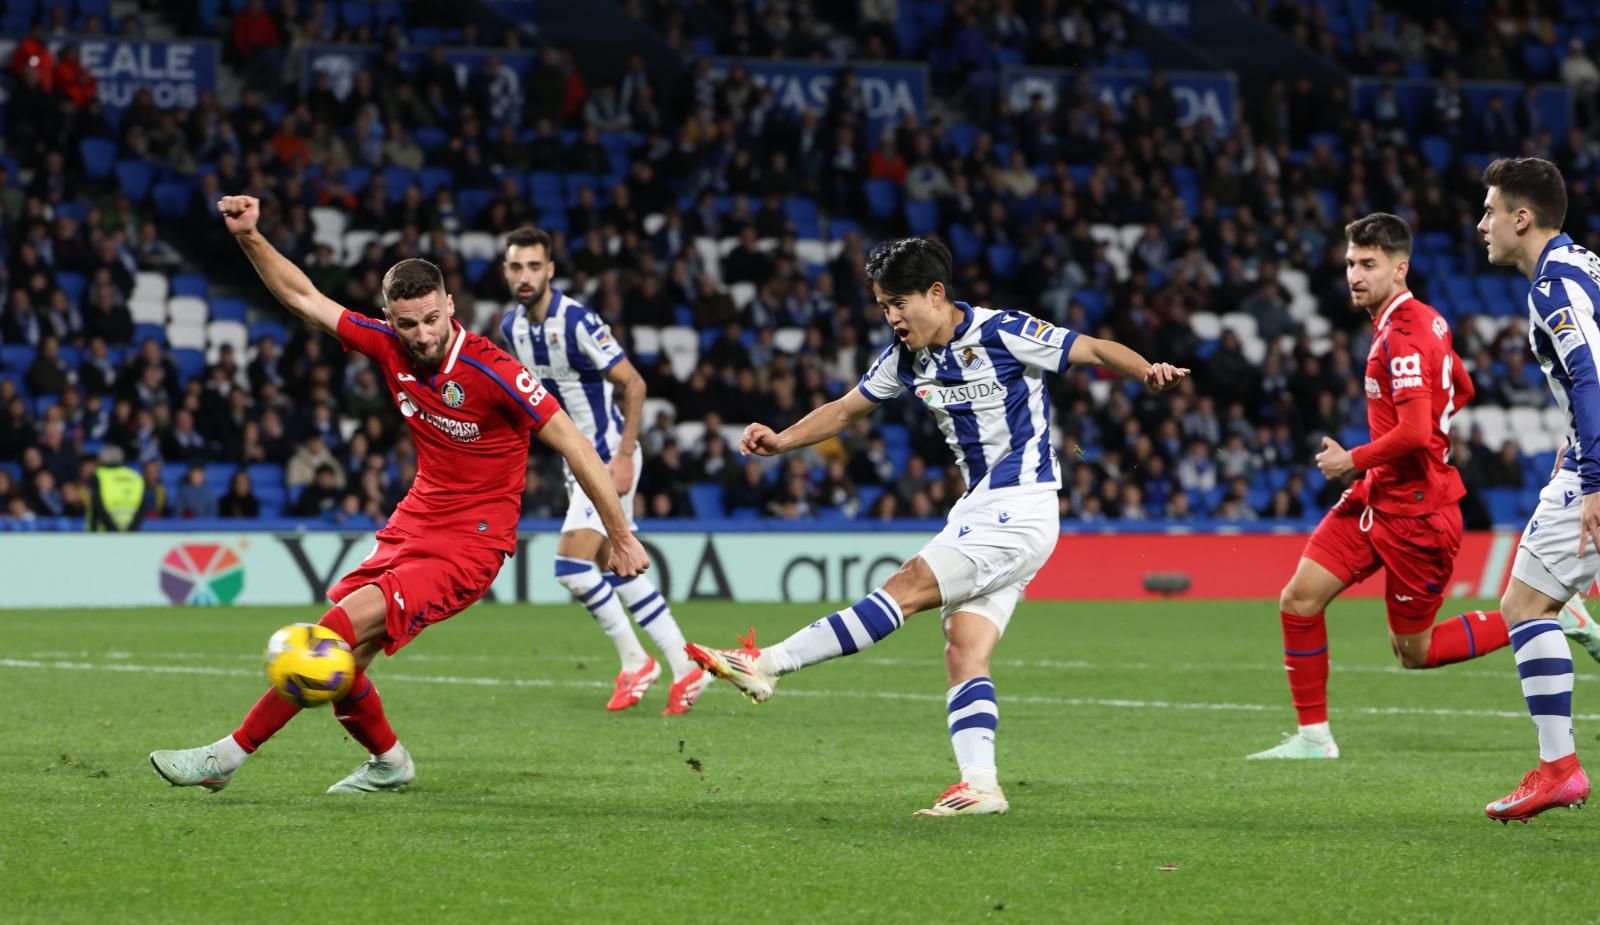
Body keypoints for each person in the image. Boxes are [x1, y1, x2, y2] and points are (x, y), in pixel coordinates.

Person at [149, 195, 647, 795]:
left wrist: (619, 536)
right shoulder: (387, 343)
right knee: (345, 663)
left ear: (450, 307)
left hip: (471, 544)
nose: (421, 335)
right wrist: (250, 236)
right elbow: (305, 297)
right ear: (391, 315)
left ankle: (225, 757)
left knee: (329, 634)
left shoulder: (494, 372)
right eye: (407, 323)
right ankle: (389, 761)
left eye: (432, 319)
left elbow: (576, 445)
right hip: (414, 522)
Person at [684, 238, 1188, 816]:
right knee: (964, 651)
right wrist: (781, 440)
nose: (892, 317)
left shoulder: (1003, 331)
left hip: (1019, 506)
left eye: (899, 303)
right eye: (882, 306)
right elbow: (846, 410)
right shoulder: (904, 357)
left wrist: (1147, 371)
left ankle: (766, 663)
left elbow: (1093, 350)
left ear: (937, 294)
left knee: (906, 586)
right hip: (981, 508)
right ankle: (981, 787)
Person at [1247, 214, 1600, 763]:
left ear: (1399, 267)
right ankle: (1314, 738)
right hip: (1377, 497)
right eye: (1350, 264)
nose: (1355, 275)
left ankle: (1551, 614)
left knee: (1414, 652)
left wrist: (1353, 460)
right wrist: (1431, 433)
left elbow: (1412, 431)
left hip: (1417, 514)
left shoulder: (1406, 337)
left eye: (1368, 264)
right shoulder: (1422, 322)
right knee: (1298, 599)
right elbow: (1461, 385)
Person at [499, 226, 711, 715]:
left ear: (550, 270)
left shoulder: (574, 320)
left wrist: (623, 454)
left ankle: (636, 661)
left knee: (570, 566)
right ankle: (685, 666)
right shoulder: (512, 329)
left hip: (607, 455)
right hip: (576, 462)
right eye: (516, 267)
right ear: (506, 271)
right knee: (617, 565)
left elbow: (633, 384)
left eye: (534, 266)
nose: (525, 276)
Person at [1474, 156, 1600, 822]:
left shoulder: (1553, 285)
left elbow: (1589, 373)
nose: (1481, 223)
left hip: (1596, 470)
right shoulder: (1587, 264)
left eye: (1491, 210)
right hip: (1583, 454)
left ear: (1522, 218)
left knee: (1525, 604)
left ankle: (1560, 769)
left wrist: (1596, 474)